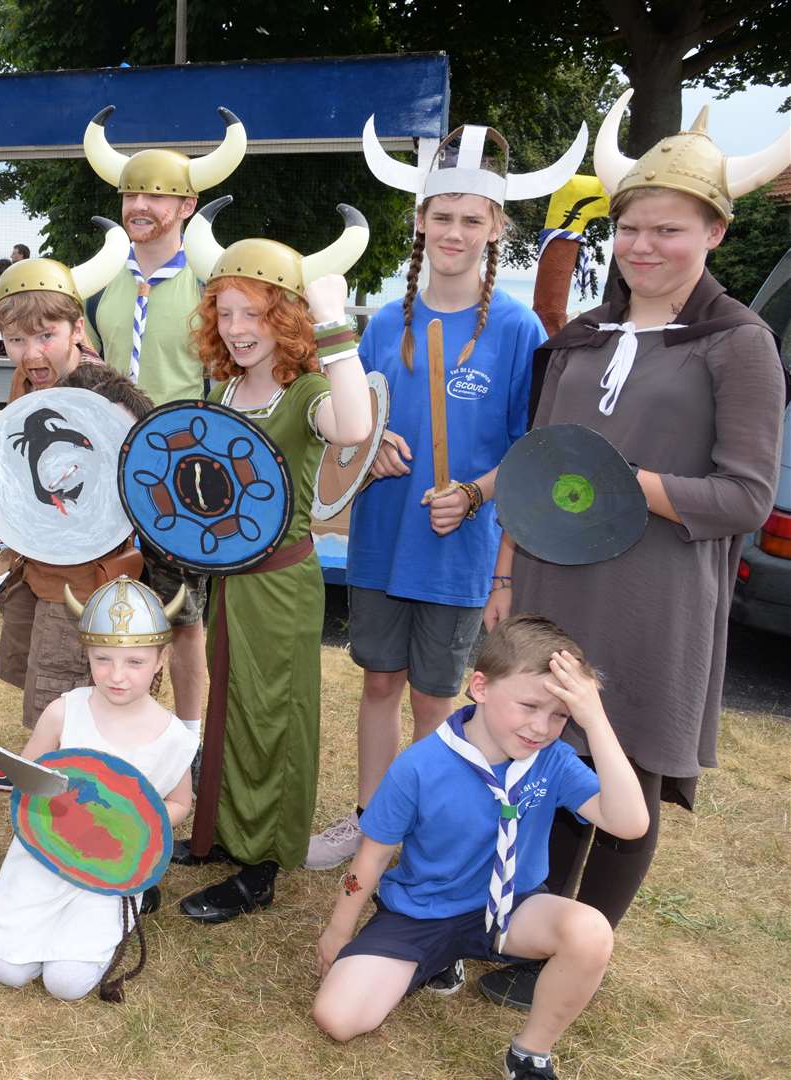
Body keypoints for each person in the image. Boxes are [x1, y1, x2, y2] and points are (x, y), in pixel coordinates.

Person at [478, 92, 788, 1011]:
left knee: (624, 767)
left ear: (716, 234)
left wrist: (629, 483)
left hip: (655, 592)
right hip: (550, 581)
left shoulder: (739, 346)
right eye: (631, 230)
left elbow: (745, 495)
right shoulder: (578, 339)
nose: (644, 247)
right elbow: (536, 470)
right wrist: (502, 573)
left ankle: (581, 950)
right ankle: (533, 931)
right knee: (542, 755)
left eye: (669, 230)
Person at [308, 120, 583, 872]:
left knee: (435, 699)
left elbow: (530, 450)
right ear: (419, 221)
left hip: (459, 552)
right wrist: (371, 448)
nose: (453, 231)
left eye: (470, 219)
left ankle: (423, 834)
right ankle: (371, 820)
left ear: (495, 228)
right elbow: (347, 428)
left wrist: (473, 493)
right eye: (441, 216)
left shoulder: (519, 329)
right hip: (382, 539)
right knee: (378, 684)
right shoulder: (383, 325)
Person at [312, 615, 649, 1080]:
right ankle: (435, 959)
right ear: (480, 687)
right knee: (338, 1018)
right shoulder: (420, 766)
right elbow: (371, 856)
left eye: (560, 715)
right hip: (422, 913)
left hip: (513, 911)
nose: (541, 727)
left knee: (590, 931)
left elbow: (630, 823)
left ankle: (530, 1054)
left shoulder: (553, 761)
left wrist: (595, 720)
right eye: (529, 706)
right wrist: (338, 929)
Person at [170, 202, 375, 923]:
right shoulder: (227, 388)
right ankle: (220, 834)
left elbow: (355, 428)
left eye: (253, 313)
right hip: (227, 580)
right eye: (225, 313)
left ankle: (261, 863)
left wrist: (336, 328)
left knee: (272, 718)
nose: (237, 328)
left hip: (281, 584)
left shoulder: (308, 392)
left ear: (285, 317)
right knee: (226, 710)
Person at [0, 223, 144, 783]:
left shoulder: (105, 391)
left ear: (76, 328)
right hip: (36, 558)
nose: (30, 353)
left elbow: (131, 477)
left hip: (85, 570)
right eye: (15, 340)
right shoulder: (27, 379)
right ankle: (45, 753)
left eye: (45, 336)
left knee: (62, 669)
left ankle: (56, 769)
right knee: (34, 662)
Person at [80, 106, 247, 754]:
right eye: (130, 191)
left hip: (186, 476)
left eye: (156, 193)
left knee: (183, 619)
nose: (140, 203)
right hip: (106, 474)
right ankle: (118, 734)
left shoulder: (214, 289)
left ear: (188, 204)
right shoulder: (101, 286)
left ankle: (186, 745)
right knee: (112, 607)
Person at [0, 577, 195, 1001]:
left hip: (112, 866)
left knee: (67, 984)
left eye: (135, 662)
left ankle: (123, 913)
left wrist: (134, 821)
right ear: (87, 653)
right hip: (46, 856)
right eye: (103, 659)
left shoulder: (173, 736)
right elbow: (26, 779)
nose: (117, 676)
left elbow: (179, 802)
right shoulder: (64, 712)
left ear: (160, 659)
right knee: (8, 970)